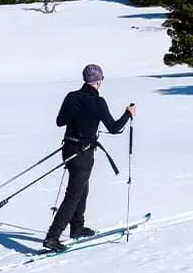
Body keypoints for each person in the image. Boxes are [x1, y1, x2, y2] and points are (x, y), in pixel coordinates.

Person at [43, 63, 136, 252]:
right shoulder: (97, 102)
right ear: (99, 81)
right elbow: (115, 128)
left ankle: (77, 227)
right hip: (83, 152)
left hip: (68, 148)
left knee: (82, 188)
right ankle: (52, 237)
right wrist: (128, 114)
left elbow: (60, 121)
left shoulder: (71, 96)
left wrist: (77, 115)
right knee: (74, 194)